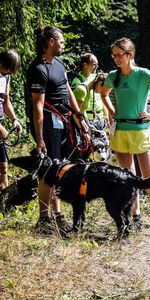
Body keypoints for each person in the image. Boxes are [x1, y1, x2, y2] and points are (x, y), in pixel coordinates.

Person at [101, 37, 150, 238]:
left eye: (119, 54)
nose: (116, 58)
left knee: (149, 177)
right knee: (127, 178)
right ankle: (136, 218)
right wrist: (111, 110)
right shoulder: (113, 75)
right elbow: (103, 93)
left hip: (141, 130)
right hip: (120, 131)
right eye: (113, 55)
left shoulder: (142, 74)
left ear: (129, 54)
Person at [27, 26, 90, 234]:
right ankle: (44, 219)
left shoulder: (59, 63)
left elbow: (67, 89)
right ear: (51, 41)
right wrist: (39, 139)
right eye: (61, 40)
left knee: (61, 168)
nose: (63, 44)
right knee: (48, 170)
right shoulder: (38, 69)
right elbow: (37, 106)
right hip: (47, 125)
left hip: (64, 121)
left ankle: (57, 214)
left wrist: (78, 114)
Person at [0, 50, 23, 190]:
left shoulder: (6, 77)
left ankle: (4, 204)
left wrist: (14, 119)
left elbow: (6, 101)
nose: (8, 73)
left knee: (3, 167)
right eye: (7, 69)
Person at [71, 53, 108, 127]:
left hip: (100, 117)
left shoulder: (95, 78)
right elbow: (77, 108)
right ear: (85, 65)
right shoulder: (77, 82)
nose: (97, 67)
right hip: (88, 119)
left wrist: (106, 116)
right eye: (94, 64)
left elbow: (103, 95)